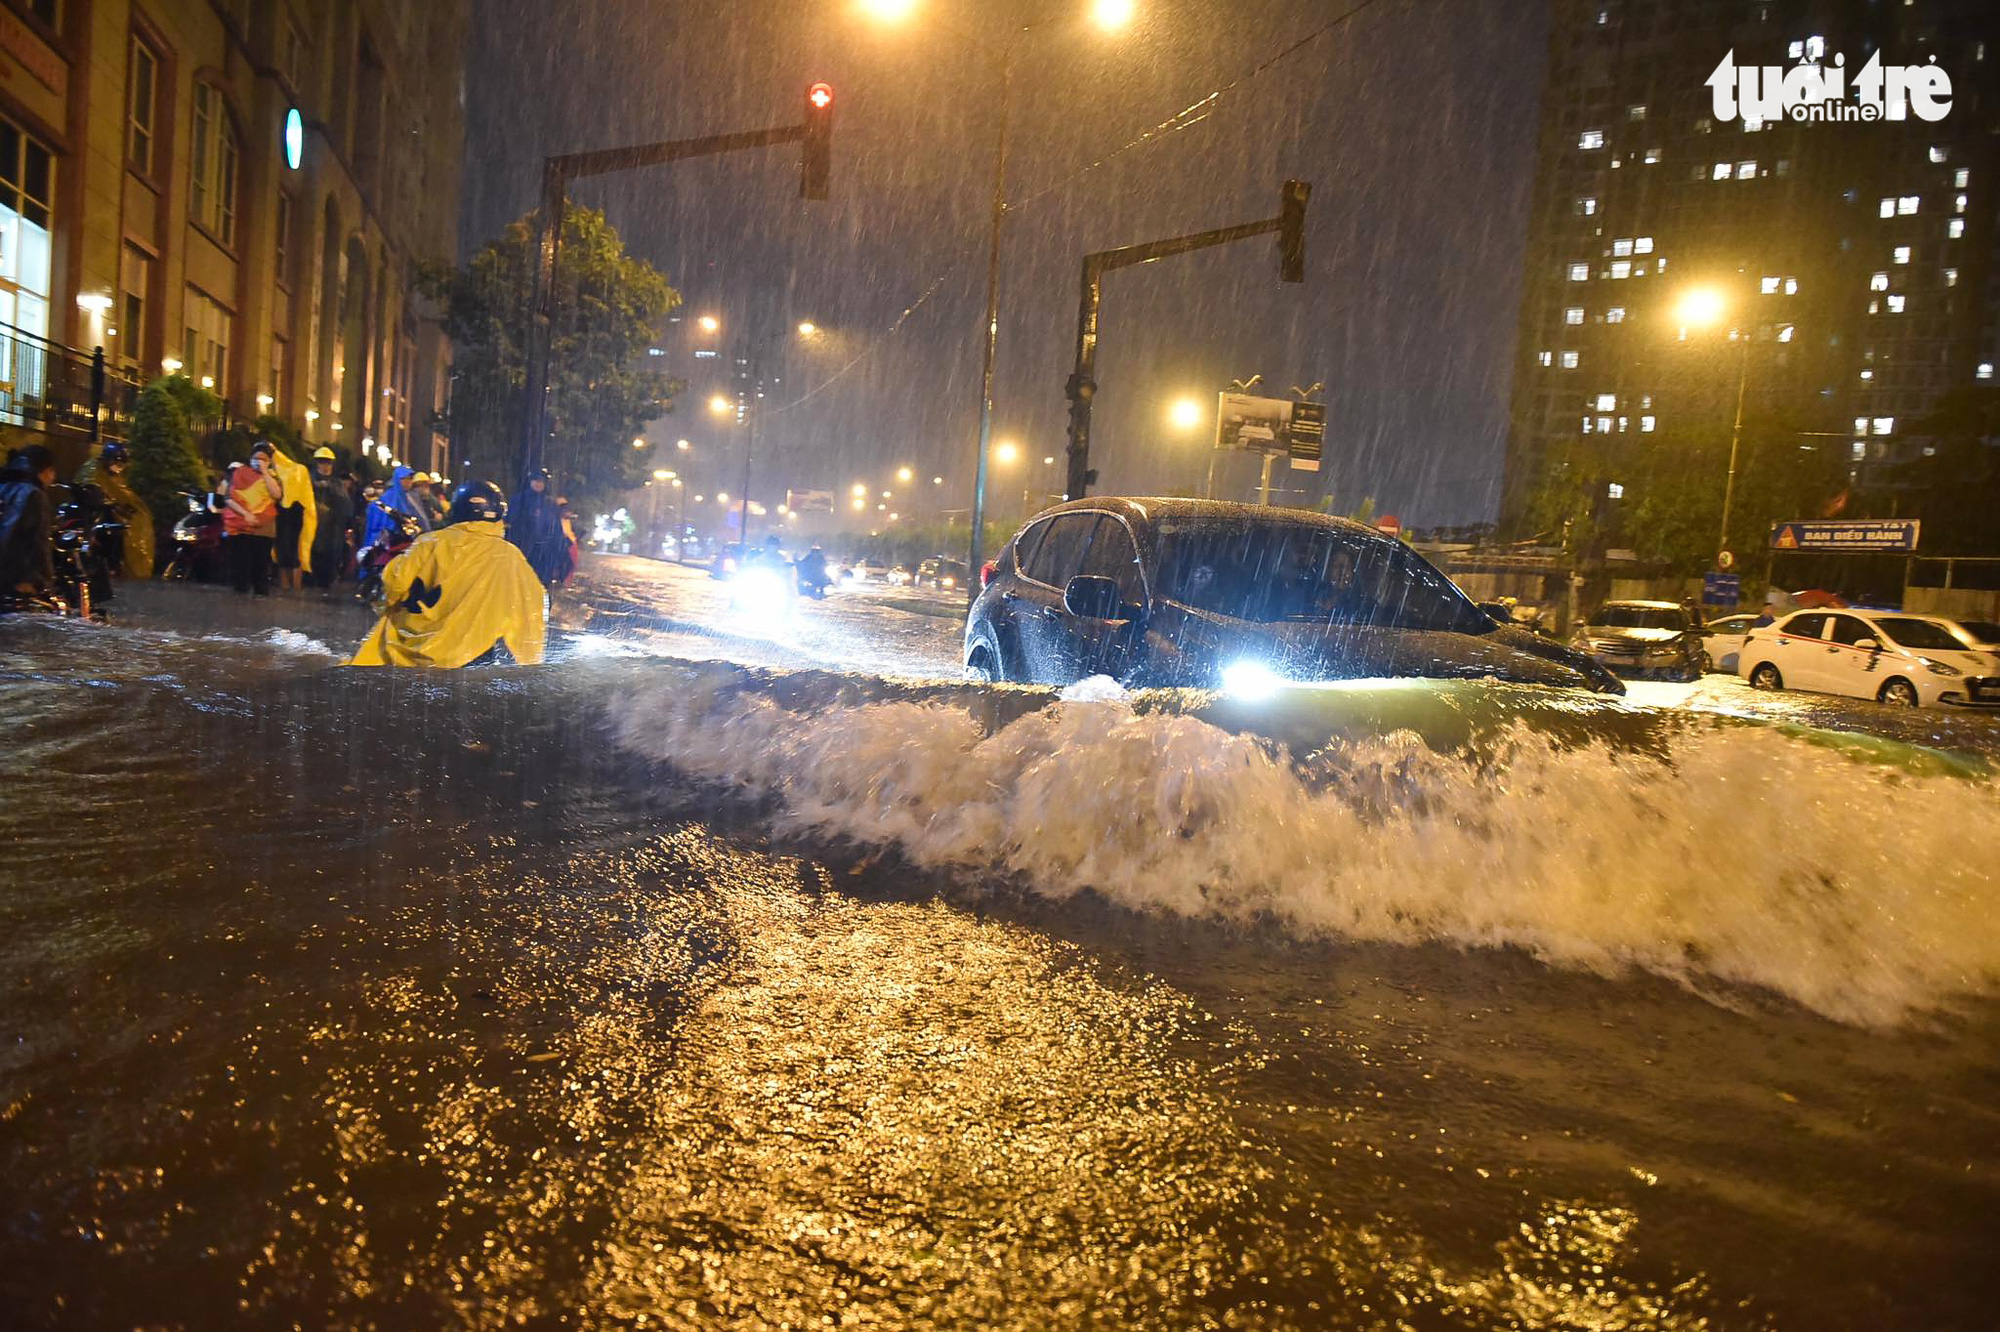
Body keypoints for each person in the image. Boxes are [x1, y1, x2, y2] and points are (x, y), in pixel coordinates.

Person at [350, 480, 547, 668]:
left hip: (411, 655)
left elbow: (391, 586)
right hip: (472, 656)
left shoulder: (430, 542)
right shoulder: (510, 557)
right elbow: (532, 605)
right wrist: (530, 659)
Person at [74, 442, 152, 579]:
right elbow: (90, 487)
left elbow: (121, 493)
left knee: (121, 529)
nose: (119, 466)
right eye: (116, 462)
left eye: (121, 464)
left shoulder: (114, 476)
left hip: (105, 508)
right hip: (89, 508)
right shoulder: (93, 470)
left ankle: (115, 564)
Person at [216, 443, 284, 596]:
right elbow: (230, 497)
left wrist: (265, 473)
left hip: (264, 529)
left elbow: (277, 495)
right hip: (241, 526)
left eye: (263, 459)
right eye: (256, 458)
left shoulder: (273, 477)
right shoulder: (240, 473)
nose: (259, 461)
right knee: (242, 564)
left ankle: (260, 592)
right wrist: (246, 514)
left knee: (261, 564)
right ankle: (241, 593)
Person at [0, 444, 57, 601]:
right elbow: (37, 543)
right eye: (52, 471)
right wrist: (40, 581)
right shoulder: (34, 495)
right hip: (15, 582)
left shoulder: (4, 486)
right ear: (45, 472)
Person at [506, 468, 569, 587]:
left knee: (541, 584)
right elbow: (512, 522)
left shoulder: (549, 504)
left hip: (544, 552)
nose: (539, 484)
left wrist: (559, 551)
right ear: (530, 481)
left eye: (542, 481)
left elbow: (556, 528)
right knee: (519, 583)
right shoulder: (519, 500)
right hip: (522, 548)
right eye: (536, 480)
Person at [268, 446, 315, 593]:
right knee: (285, 551)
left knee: (291, 551)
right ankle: (290, 587)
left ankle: (292, 586)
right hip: (282, 514)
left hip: (292, 514)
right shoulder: (274, 471)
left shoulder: (296, 470)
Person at [308, 448, 354, 589]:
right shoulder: (308, 479)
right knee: (313, 553)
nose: (325, 465)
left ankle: (326, 582)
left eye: (327, 462)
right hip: (313, 523)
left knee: (330, 556)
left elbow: (347, 506)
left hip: (333, 527)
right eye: (322, 462)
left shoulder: (336, 483)